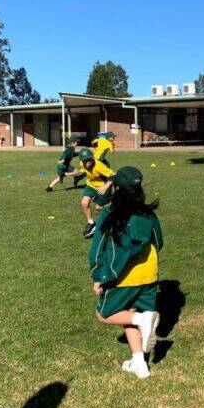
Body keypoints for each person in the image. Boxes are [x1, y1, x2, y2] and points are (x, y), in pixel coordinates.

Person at [89, 167, 161, 378]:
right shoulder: (148, 213)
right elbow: (159, 241)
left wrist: (97, 276)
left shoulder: (109, 213)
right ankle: (139, 364)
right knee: (128, 313)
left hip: (122, 276)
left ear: (117, 188)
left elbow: (97, 249)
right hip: (149, 273)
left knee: (104, 314)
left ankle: (143, 320)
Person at [78, 148, 116, 238]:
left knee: (99, 208)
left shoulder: (99, 166)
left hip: (103, 186)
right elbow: (85, 172)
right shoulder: (81, 164)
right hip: (91, 185)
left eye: (89, 160)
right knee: (84, 203)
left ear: (93, 158)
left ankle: (113, 221)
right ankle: (91, 223)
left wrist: (105, 187)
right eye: (85, 160)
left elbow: (113, 175)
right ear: (82, 161)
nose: (88, 162)